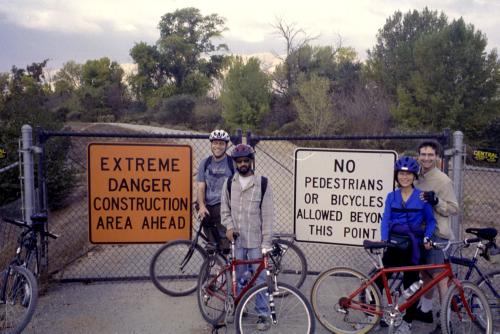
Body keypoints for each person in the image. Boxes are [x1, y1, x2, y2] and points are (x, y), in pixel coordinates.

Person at [379, 156, 437, 334]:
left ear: (414, 176)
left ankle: (407, 321)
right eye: (401, 174)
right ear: (397, 176)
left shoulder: (422, 197)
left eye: (409, 174)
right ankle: (374, 315)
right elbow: (386, 219)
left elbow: (431, 221)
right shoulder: (391, 196)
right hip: (394, 244)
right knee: (379, 280)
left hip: (413, 247)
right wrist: (384, 239)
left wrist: (427, 237)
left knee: (410, 284)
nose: (405, 177)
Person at [221, 144, 274, 331]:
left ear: (251, 161)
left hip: (256, 241)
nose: (243, 164)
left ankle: (262, 314)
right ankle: (241, 308)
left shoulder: (263, 183)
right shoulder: (229, 183)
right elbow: (224, 210)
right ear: (235, 163)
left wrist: (266, 243)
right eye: (239, 161)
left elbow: (267, 216)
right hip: (237, 242)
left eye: (246, 160)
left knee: (259, 279)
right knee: (241, 278)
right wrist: (229, 226)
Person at [414, 141, 459, 332]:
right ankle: (425, 311)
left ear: (437, 157)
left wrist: (437, 201)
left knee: (440, 279)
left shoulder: (443, 180)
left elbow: (454, 209)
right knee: (425, 275)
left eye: (430, 155)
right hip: (420, 233)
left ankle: (445, 320)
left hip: (437, 234)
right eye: (423, 154)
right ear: (418, 156)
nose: (426, 158)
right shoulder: (417, 177)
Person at [196, 129, 234, 252]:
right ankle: (216, 251)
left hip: (223, 204)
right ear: (211, 144)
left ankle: (225, 256)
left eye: (221, 143)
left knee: (224, 237)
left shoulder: (231, 163)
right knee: (207, 226)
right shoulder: (205, 163)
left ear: (226, 145)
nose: (218, 146)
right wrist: (201, 205)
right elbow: (201, 186)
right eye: (215, 143)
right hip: (208, 203)